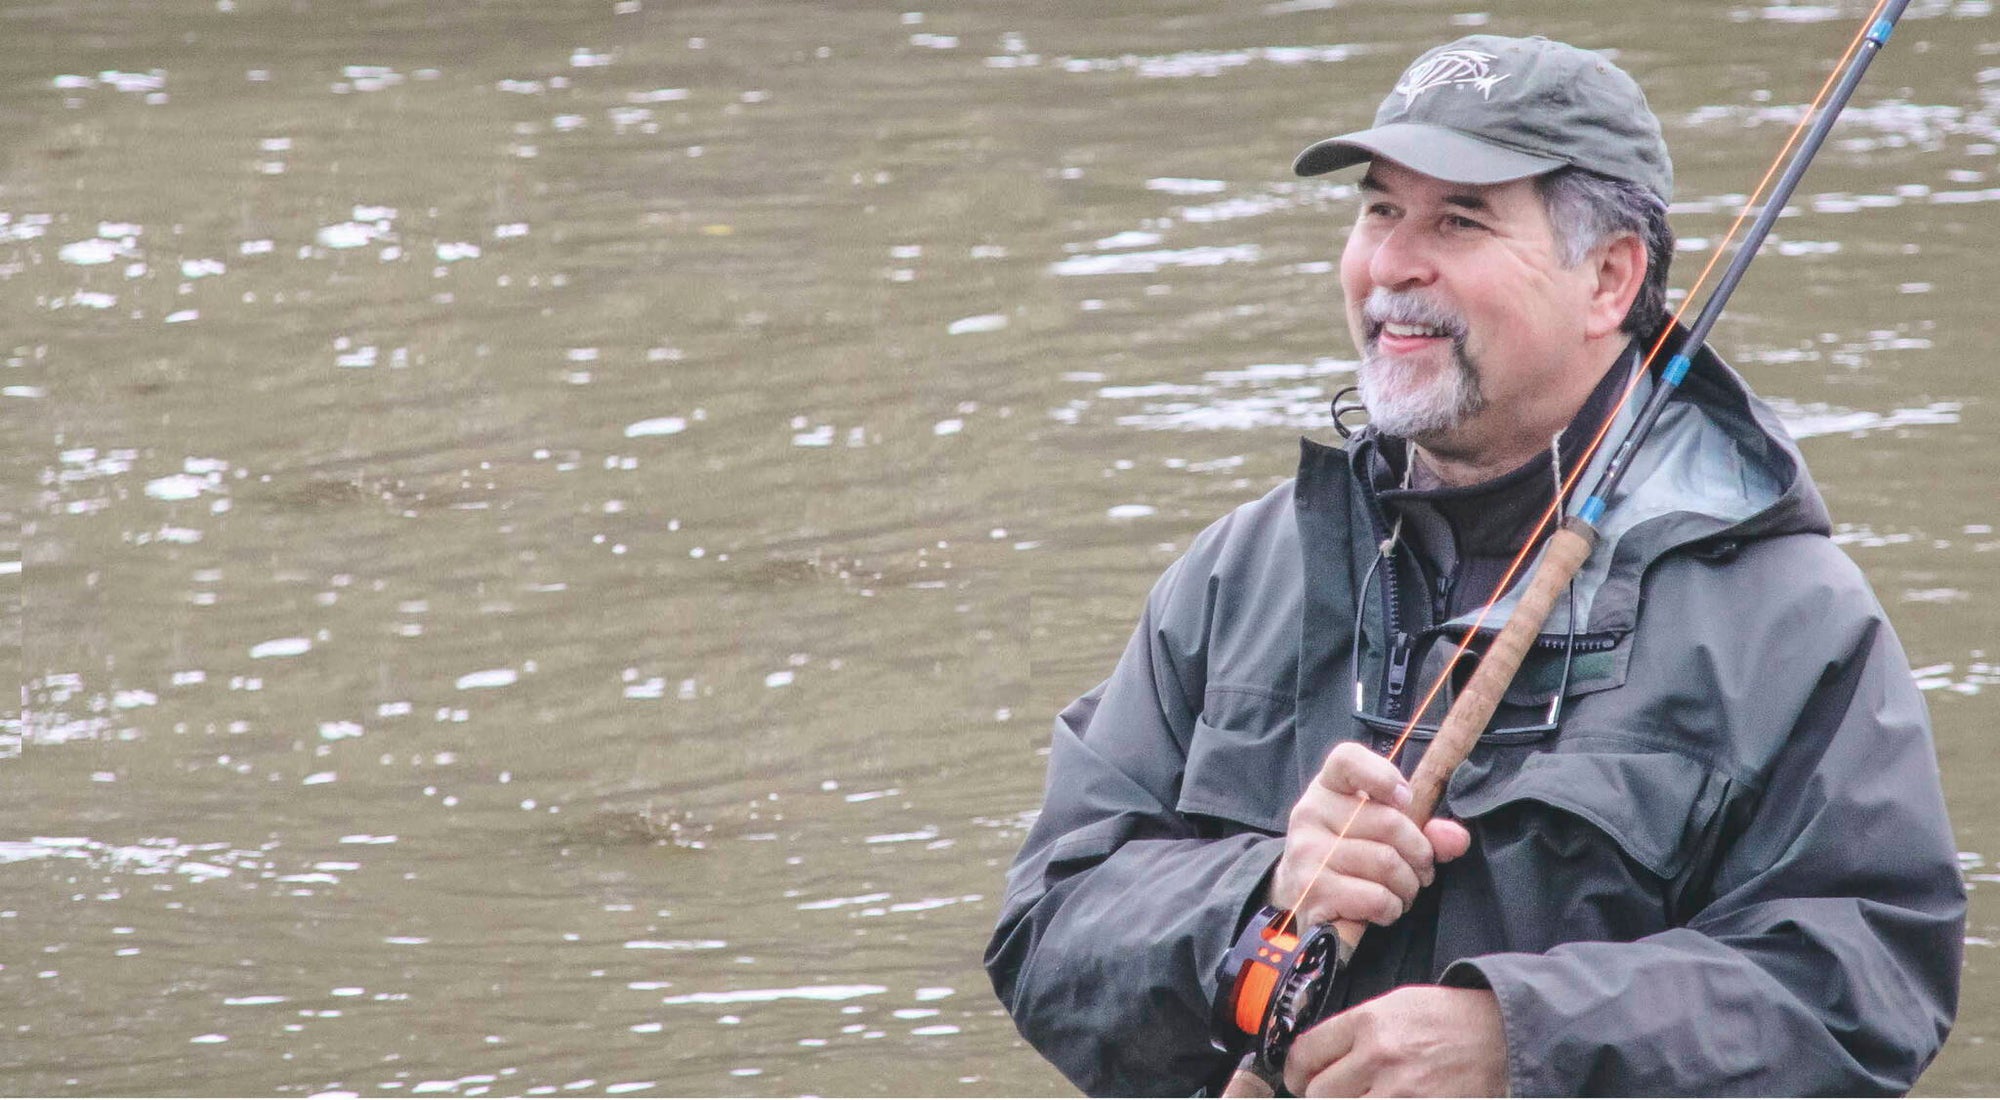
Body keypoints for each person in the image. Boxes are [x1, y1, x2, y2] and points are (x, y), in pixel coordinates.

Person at [984, 33, 1964, 1097]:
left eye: (1458, 219)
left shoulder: (1793, 620)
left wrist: (1518, 1041)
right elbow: (1046, 926)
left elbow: (1864, 988)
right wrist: (1257, 897)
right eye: (1379, 211)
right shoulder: (1235, 577)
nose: (1392, 265)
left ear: (1608, 279)